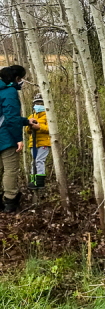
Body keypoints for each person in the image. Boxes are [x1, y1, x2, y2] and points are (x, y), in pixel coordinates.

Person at [0, 65, 40, 213]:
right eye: (21, 78)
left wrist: (26, 121)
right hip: (5, 137)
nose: (22, 81)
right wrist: (18, 138)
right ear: (16, 78)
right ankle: (10, 200)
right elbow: (10, 118)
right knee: (10, 169)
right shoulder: (9, 92)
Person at [26, 92, 51, 190]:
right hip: (34, 143)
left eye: (41, 103)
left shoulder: (48, 115)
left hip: (44, 143)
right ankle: (33, 180)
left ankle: (39, 182)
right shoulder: (32, 116)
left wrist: (39, 127)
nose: (38, 105)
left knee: (40, 161)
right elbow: (27, 130)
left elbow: (50, 128)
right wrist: (30, 126)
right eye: (37, 103)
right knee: (34, 162)